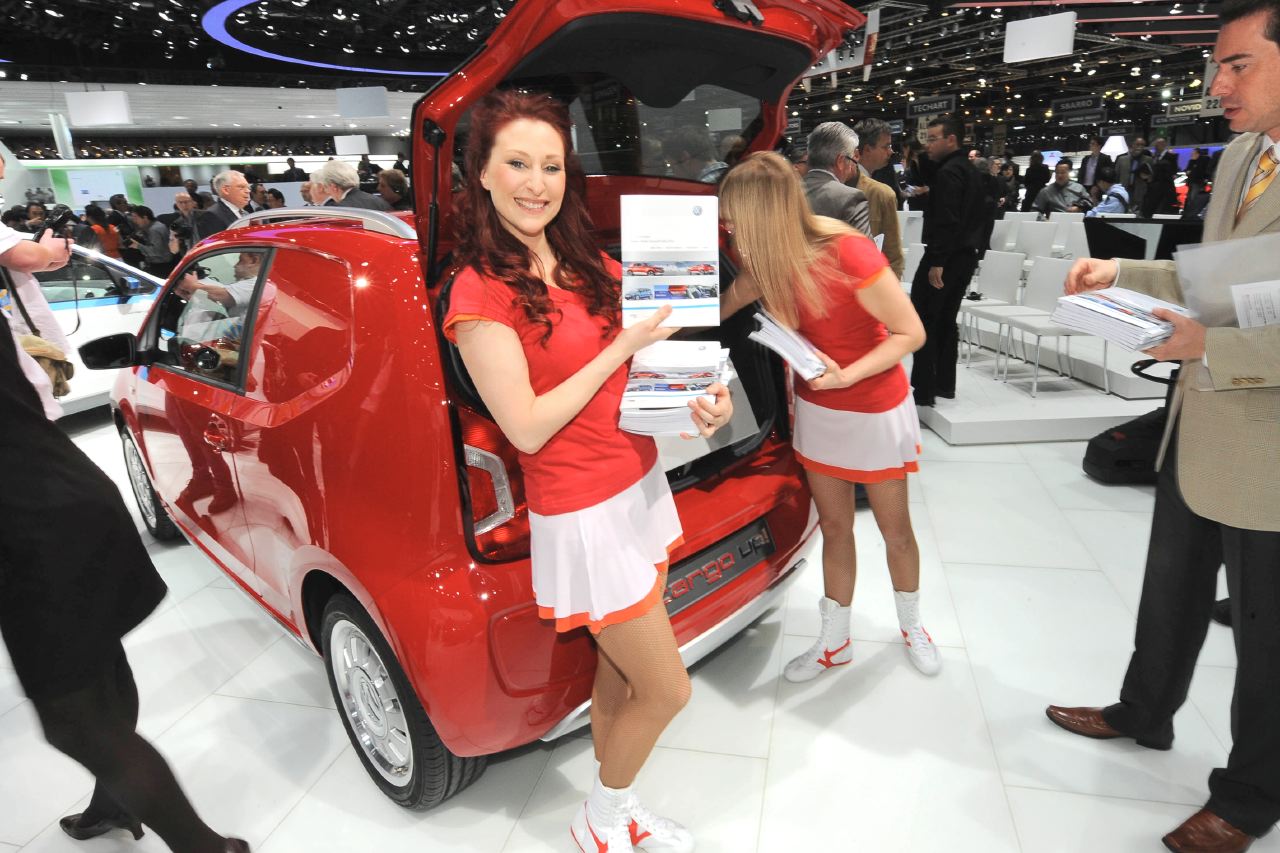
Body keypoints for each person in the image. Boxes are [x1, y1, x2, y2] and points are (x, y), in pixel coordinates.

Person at [444, 90, 732, 853]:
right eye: (517, 163)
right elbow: (526, 425)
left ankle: (619, 807)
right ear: (482, 173)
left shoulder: (586, 261)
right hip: (582, 511)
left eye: (551, 165)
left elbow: (652, 360)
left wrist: (703, 398)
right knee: (667, 688)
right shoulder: (477, 292)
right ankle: (598, 821)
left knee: (620, 676)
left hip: (637, 481)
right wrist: (619, 347)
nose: (536, 182)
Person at [1046, 1, 1280, 849]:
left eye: (1238, 64)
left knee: (1266, 639)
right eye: (1217, 65)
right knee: (1171, 587)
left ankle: (1250, 798)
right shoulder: (1246, 156)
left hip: (1267, 448)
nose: (1217, 84)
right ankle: (1144, 709)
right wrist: (1121, 270)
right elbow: (1214, 278)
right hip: (1197, 421)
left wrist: (1211, 345)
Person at [0, 154, 250, 853]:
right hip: (69, 499)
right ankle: (113, 802)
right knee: (99, 678)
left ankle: (208, 849)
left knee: (74, 719)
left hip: (29, 529)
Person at [718, 151, 939, 682]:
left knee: (895, 530)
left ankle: (913, 626)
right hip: (819, 409)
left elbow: (911, 333)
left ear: (763, 215)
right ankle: (834, 642)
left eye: (734, 220)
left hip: (872, 407)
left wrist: (847, 376)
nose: (728, 230)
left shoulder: (848, 251)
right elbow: (717, 312)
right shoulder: (766, 261)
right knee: (836, 528)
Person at [910, 113, 985, 407]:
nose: (928, 145)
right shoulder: (971, 171)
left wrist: (937, 261)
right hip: (965, 257)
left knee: (925, 318)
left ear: (950, 139)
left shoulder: (949, 173)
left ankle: (924, 390)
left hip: (945, 257)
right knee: (945, 320)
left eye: (933, 139)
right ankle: (944, 384)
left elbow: (947, 220)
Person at [851, 117, 905, 277]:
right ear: (867, 149)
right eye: (886, 146)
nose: (890, 151)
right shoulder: (880, 193)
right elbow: (892, 252)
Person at [801, 122, 871, 237]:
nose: (852, 168)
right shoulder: (851, 198)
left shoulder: (786, 193)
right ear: (840, 161)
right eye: (852, 161)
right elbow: (865, 247)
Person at [310, 160, 392, 210]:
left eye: (326, 187)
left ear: (334, 187)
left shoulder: (340, 210)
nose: (327, 191)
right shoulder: (380, 201)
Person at [195, 170, 250, 240]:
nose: (248, 191)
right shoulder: (211, 215)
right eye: (241, 187)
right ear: (226, 190)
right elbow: (214, 244)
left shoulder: (245, 213)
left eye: (248, 187)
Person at [126, 206, 176, 276]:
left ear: (145, 217)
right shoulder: (157, 225)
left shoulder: (154, 230)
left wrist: (137, 246)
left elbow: (157, 251)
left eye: (136, 217)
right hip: (166, 264)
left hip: (161, 266)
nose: (134, 221)